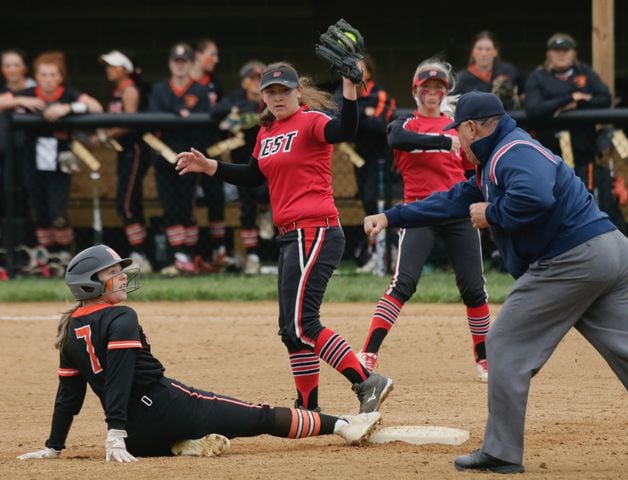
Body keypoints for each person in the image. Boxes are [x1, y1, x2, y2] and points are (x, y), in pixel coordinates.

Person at [363, 91, 628, 474]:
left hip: (573, 259)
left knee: (504, 342)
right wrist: (392, 217)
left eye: (459, 129)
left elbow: (534, 196)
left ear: (472, 128)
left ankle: (502, 452)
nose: (456, 138)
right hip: (606, 253)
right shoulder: (494, 160)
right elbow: (450, 201)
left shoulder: (512, 151)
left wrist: (493, 213)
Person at [15, 244, 381, 462]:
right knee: (259, 416)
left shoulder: (68, 331)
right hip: (163, 410)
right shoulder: (120, 316)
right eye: (113, 273)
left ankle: (182, 447)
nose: (123, 277)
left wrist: (54, 447)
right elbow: (123, 374)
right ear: (90, 282)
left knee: (192, 424)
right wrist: (115, 432)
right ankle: (344, 425)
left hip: (139, 440)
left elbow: (69, 396)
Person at [176, 62, 393, 414]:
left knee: (303, 322)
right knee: (290, 329)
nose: (277, 97)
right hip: (291, 236)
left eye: (284, 91)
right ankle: (308, 406)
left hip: (316, 229)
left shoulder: (312, 120)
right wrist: (210, 166)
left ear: (298, 92)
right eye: (270, 92)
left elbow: (345, 129)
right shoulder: (267, 132)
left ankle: (366, 380)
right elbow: (251, 175)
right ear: (262, 96)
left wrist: (350, 87)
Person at [357, 58, 491, 383]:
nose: (432, 93)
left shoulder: (458, 125)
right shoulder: (405, 123)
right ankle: (368, 352)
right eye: (426, 88)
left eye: (438, 88)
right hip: (419, 211)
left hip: (458, 211)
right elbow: (396, 141)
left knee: (474, 289)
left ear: (445, 92)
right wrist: (444, 141)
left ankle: (485, 360)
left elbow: (475, 165)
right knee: (403, 283)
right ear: (416, 91)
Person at [12, 51, 103, 274]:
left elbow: (96, 107)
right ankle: (46, 254)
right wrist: (21, 100)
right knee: (38, 208)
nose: (48, 79)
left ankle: (63, 254)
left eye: (53, 75)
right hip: (33, 158)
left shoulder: (68, 94)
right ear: (37, 77)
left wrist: (68, 108)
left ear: (60, 77)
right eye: (43, 75)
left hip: (60, 158)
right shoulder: (29, 93)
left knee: (58, 210)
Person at [524, 33, 616, 214]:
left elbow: (605, 98)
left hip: (583, 154)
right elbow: (534, 109)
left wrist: (579, 103)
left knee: (585, 204)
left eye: (565, 50)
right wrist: (569, 98)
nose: (561, 55)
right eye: (556, 50)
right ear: (549, 54)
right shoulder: (538, 77)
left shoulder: (585, 73)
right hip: (549, 157)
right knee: (552, 206)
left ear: (574, 53)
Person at [148, 42, 210, 275]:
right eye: (176, 61)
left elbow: (206, 127)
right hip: (165, 158)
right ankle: (177, 254)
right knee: (170, 207)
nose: (180, 66)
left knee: (188, 208)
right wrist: (178, 115)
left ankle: (190, 254)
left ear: (191, 64)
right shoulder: (160, 90)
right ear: (170, 64)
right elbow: (154, 119)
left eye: (184, 62)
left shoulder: (200, 91)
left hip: (191, 159)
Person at [333, 53, 396, 272]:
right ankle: (375, 254)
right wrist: (363, 115)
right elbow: (336, 114)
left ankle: (388, 253)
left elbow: (379, 125)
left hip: (380, 158)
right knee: (366, 202)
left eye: (360, 68)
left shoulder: (379, 94)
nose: (355, 72)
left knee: (375, 202)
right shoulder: (344, 93)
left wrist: (358, 118)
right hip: (360, 158)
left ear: (369, 71)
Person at [96, 49, 153, 273]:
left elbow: (129, 121)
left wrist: (104, 135)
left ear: (124, 69)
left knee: (126, 204)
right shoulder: (117, 90)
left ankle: (140, 254)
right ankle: (140, 253)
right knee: (129, 203)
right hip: (124, 152)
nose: (108, 70)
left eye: (112, 66)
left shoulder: (129, 90)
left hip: (135, 150)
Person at [211, 60, 270, 274]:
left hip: (271, 157)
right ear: (244, 82)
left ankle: (265, 212)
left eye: (259, 78)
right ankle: (253, 256)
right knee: (246, 208)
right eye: (251, 79)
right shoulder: (236, 98)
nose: (256, 83)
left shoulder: (273, 96)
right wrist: (240, 113)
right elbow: (216, 113)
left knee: (265, 194)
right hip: (244, 159)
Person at [190, 37, 233, 270]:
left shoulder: (214, 83)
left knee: (216, 201)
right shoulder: (184, 83)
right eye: (211, 54)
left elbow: (223, 109)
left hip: (211, 150)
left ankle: (219, 251)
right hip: (188, 150)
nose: (215, 60)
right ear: (197, 55)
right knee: (189, 205)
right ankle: (191, 255)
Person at [0, 48, 40, 278]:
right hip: (6, 160)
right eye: (8, 65)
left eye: (17, 64)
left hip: (33, 160)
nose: (13, 69)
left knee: (31, 208)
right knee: (7, 208)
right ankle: (9, 257)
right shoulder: (8, 93)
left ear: (25, 67)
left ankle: (33, 258)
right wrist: (20, 100)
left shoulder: (37, 88)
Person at [454, 30, 522, 110]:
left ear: (495, 51)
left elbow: (523, 94)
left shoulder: (509, 71)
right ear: (472, 52)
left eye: (488, 49)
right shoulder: (460, 79)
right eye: (479, 49)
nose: (483, 53)